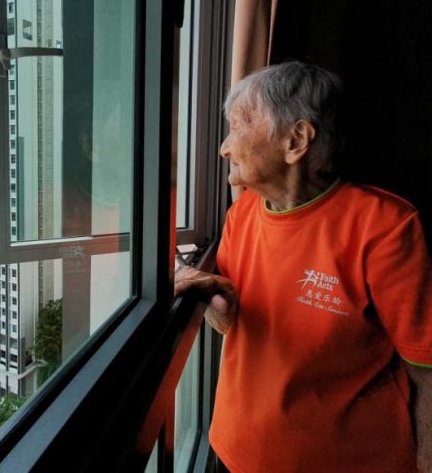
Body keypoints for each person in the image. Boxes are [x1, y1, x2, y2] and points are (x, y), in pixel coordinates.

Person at [175, 61, 432, 472]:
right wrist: (214, 306)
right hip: (238, 451)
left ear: (296, 140)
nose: (225, 147)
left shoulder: (385, 226)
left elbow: (426, 368)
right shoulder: (242, 215)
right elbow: (231, 323)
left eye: (238, 126)